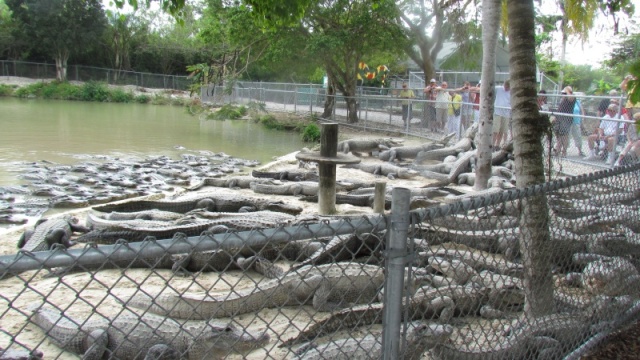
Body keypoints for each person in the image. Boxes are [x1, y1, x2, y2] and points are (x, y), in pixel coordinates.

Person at [551, 86, 576, 156]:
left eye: (564, 93)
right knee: (558, 133)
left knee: (564, 135)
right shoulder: (563, 99)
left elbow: (570, 98)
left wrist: (567, 90)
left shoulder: (572, 97)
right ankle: (558, 149)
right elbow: (560, 108)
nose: (563, 94)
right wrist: (556, 117)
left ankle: (564, 151)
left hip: (566, 119)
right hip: (559, 118)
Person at [493, 80, 511, 149]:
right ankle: (492, 144)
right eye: (505, 86)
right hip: (498, 112)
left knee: (502, 130)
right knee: (495, 130)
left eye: (508, 87)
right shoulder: (498, 89)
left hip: (506, 114)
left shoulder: (512, 93)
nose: (506, 88)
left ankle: (497, 145)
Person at [570, 91, 585, 156]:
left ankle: (580, 150)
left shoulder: (577, 102)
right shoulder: (568, 102)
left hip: (576, 121)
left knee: (578, 136)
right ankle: (563, 150)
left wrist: (583, 118)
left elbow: (582, 110)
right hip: (569, 121)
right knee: (566, 136)